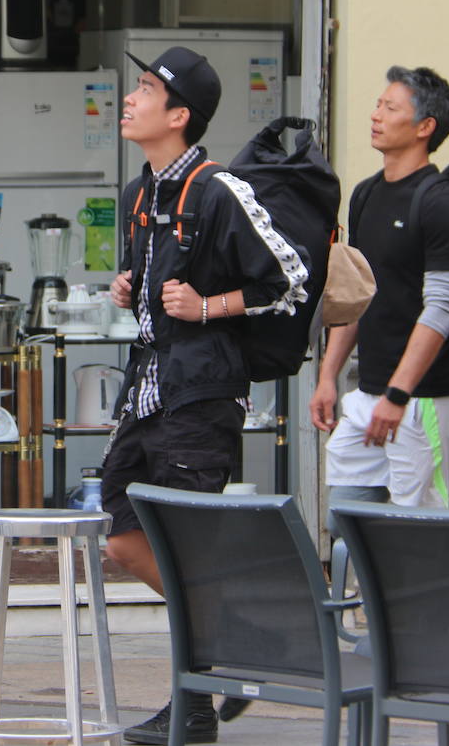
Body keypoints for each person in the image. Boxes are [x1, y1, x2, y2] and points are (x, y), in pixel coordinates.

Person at [106, 47, 309, 745]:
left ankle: (191, 709)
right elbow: (148, 279)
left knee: (185, 546)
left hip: (200, 398)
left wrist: (207, 306)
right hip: (145, 394)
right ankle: (242, 634)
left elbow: (289, 279)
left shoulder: (221, 190)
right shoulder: (138, 193)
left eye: (143, 89)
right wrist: (129, 287)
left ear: (180, 114)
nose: (129, 99)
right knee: (125, 539)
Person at [312, 66, 449, 519]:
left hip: (425, 401)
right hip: (368, 394)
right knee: (347, 521)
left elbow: (441, 308)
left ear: (425, 127)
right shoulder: (365, 195)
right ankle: (363, 595)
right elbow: (356, 296)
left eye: (390, 108)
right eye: (378, 104)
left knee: (422, 530)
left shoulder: (444, 202)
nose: (376, 115)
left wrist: (399, 395)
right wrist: (329, 375)